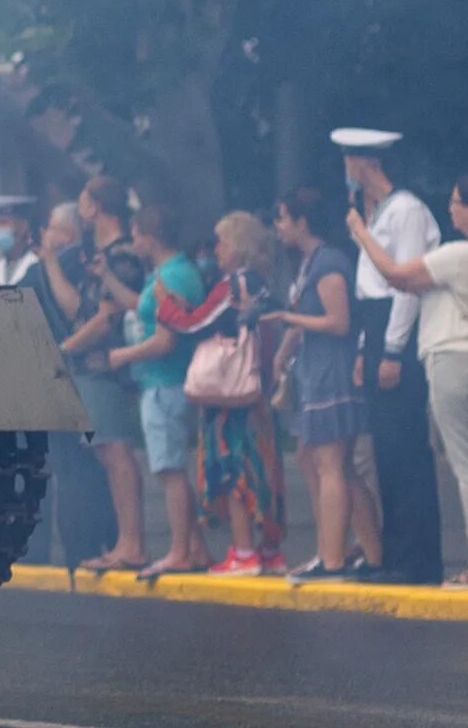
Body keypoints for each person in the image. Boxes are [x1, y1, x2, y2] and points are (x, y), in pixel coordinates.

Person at [352, 169, 468, 586]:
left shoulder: (459, 254)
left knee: (467, 462)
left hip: (451, 355)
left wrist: (363, 235)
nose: (450, 209)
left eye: (456, 202)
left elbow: (397, 274)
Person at [336, 128, 442, 581]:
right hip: (376, 326)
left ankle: (418, 558)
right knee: (386, 452)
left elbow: (406, 287)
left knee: (405, 448)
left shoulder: (406, 211)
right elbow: (369, 287)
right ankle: (396, 556)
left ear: (365, 163)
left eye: (348, 161)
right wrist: (366, 347)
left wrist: (393, 350)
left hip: (399, 327)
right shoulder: (377, 214)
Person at [272, 186, 374, 576]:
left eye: (283, 218)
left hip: (332, 370)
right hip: (314, 370)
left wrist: (289, 320)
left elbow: (339, 322)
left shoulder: (328, 262)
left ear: (302, 221)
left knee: (332, 463)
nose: (279, 227)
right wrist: (285, 349)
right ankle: (368, 550)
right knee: (336, 465)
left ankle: (332, 558)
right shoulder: (310, 263)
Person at [49, 175, 147, 572]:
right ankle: (126, 542)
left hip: (107, 366)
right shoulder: (101, 255)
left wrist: (63, 351)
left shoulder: (121, 253)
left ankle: (133, 543)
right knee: (107, 451)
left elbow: (107, 318)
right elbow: (80, 310)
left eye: (84, 198)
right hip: (91, 366)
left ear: (98, 205)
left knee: (117, 452)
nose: (80, 205)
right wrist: (51, 260)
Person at [107, 204, 209, 577]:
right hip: (161, 381)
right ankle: (195, 547)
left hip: (165, 381)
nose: (133, 242)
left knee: (170, 470)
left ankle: (180, 551)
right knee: (172, 468)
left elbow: (166, 339)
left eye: (135, 235)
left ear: (149, 237)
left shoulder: (172, 278)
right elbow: (145, 308)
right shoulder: (166, 274)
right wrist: (106, 278)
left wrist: (123, 355)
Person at [196, 211, 288, 575]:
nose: (215, 249)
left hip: (228, 393)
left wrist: (167, 305)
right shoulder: (264, 285)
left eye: (222, 241)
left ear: (238, 246)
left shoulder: (231, 286)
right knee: (265, 467)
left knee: (235, 467)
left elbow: (195, 323)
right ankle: (270, 550)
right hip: (258, 389)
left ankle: (243, 551)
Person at [30, 200, 121, 564]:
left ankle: (88, 545)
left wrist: (63, 349)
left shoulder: (70, 262)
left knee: (84, 466)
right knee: (79, 465)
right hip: (70, 373)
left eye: (51, 226)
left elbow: (78, 310)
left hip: (81, 372)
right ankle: (87, 545)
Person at [0, 197, 42, 289]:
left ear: (23, 227)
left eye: (3, 223)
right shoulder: (0, 265)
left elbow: (13, 299)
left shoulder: (37, 264)